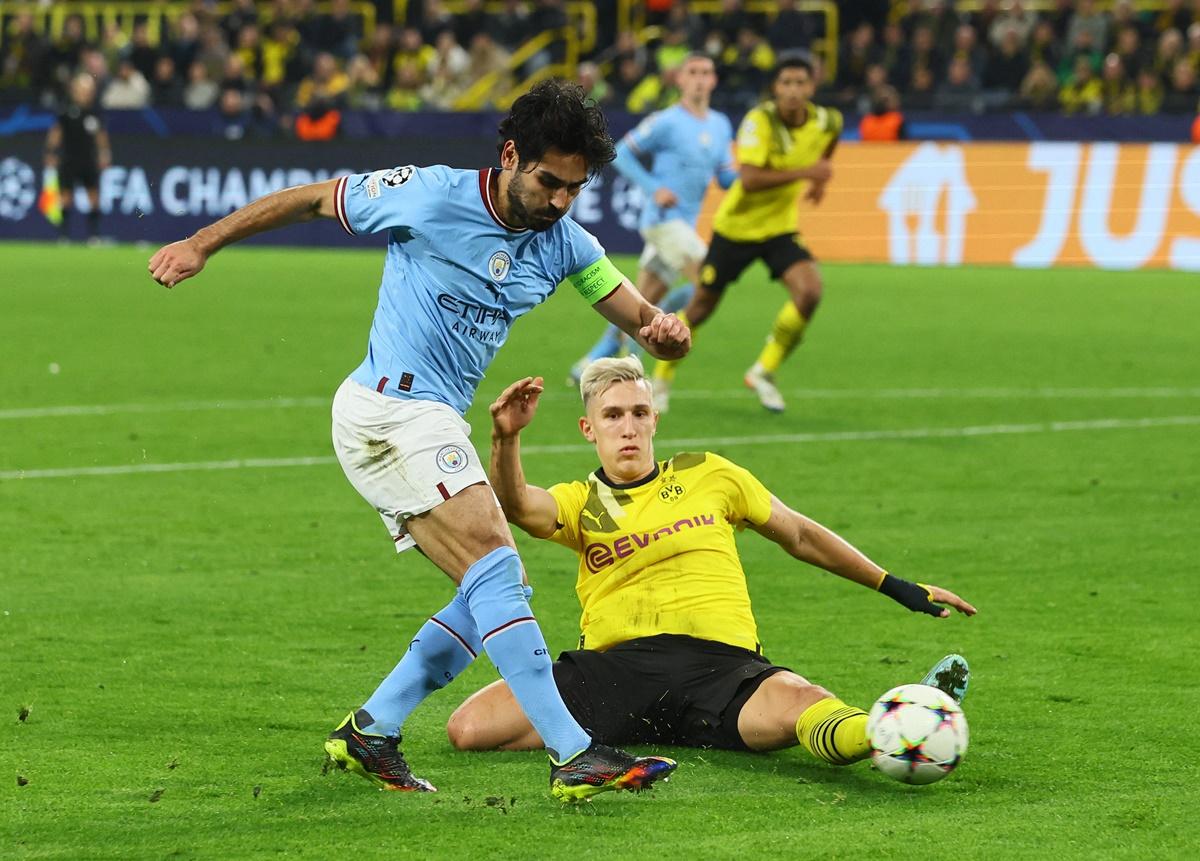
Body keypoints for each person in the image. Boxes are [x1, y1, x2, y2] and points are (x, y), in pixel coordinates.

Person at [146, 80, 690, 803]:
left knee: (490, 588)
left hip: (427, 420)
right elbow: (313, 197)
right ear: (509, 156)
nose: (560, 200)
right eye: (549, 181)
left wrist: (658, 325)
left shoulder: (564, 243)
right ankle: (573, 752)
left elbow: (628, 305)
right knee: (496, 569)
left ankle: (374, 726)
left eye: (575, 188)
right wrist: (200, 243)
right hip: (389, 411)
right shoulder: (429, 195)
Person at [447, 356, 976, 764]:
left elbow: (800, 535)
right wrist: (505, 437)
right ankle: (906, 723)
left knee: (801, 705)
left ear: (655, 419)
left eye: (637, 413)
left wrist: (895, 585)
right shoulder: (581, 502)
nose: (627, 427)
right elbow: (515, 505)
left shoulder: (710, 474)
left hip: (720, 666)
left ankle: (899, 726)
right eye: (612, 415)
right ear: (590, 429)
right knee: (468, 728)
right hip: (615, 673)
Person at [652, 51, 841, 414]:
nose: (793, 91)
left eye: (800, 83)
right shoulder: (759, 121)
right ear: (775, 87)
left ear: (811, 86)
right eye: (786, 83)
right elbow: (750, 179)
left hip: (778, 229)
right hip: (735, 228)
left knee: (810, 291)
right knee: (702, 306)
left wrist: (821, 176)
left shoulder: (826, 119)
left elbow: (828, 143)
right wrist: (808, 175)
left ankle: (764, 371)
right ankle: (661, 378)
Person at [568, 52, 736, 386]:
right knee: (709, 281)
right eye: (694, 72)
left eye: (707, 72)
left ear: (714, 80)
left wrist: (749, 172)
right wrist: (653, 188)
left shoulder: (720, 125)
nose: (701, 78)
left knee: (639, 303)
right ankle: (661, 374)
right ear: (680, 79)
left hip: (684, 226)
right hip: (662, 220)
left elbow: (727, 178)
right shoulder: (666, 121)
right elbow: (622, 152)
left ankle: (590, 364)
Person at [44, 73, 111, 244]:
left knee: (94, 197)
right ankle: (64, 235)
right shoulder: (66, 110)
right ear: (74, 91)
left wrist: (104, 153)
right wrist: (50, 152)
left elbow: (100, 135)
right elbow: (56, 132)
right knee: (66, 197)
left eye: (88, 90)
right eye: (82, 90)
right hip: (69, 159)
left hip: (88, 160)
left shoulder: (95, 112)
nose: (85, 94)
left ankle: (94, 235)